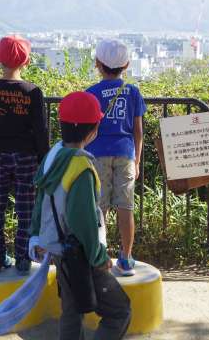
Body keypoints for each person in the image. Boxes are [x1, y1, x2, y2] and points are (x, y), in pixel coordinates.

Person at [29, 91, 131, 340]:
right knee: (119, 311)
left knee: (72, 311)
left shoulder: (52, 158)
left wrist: (36, 236)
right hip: (82, 254)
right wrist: (98, 257)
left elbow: (40, 199)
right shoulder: (81, 167)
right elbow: (83, 221)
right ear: (93, 130)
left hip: (59, 248)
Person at [0, 35, 49, 275]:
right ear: (26, 61)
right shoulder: (33, 92)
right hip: (27, 156)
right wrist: (43, 159)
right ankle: (23, 258)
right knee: (26, 208)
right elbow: (41, 130)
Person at [86, 39, 146, 276]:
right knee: (125, 206)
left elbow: (88, 130)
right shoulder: (133, 92)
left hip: (98, 154)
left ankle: (99, 257)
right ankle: (126, 258)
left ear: (98, 64)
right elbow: (138, 131)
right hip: (126, 154)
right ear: (127, 65)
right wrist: (137, 160)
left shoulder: (91, 93)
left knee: (99, 207)